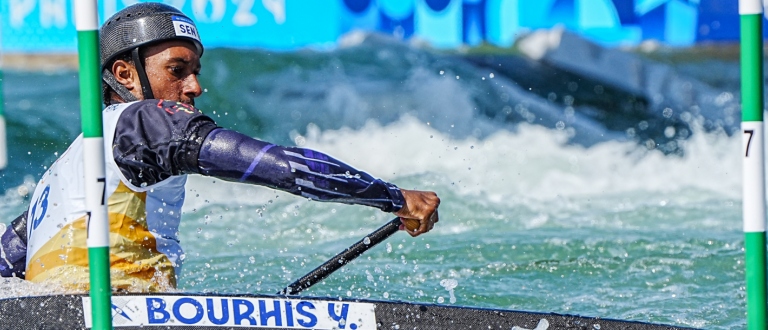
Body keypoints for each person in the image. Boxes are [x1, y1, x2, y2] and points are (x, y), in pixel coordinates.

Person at [0, 2, 439, 292]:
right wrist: (393, 197)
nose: (195, 85)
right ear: (126, 74)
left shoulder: (63, 173)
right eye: (178, 69)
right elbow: (280, 166)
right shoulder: (145, 122)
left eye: (195, 69)